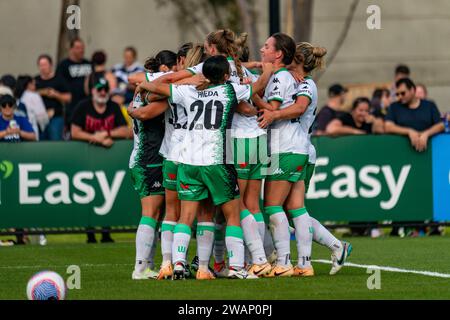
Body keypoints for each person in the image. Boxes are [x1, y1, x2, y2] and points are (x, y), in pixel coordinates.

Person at [137, 55, 274, 280]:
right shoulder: (230, 90)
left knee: (186, 217)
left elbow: (162, 87)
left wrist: (145, 84)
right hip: (216, 161)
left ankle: (179, 264)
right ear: (226, 76)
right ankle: (237, 267)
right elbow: (257, 87)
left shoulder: (187, 92)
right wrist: (267, 70)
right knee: (232, 216)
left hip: (188, 162)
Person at [258, 42, 352, 275]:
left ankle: (284, 261)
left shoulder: (307, 84)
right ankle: (311, 260)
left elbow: (299, 108)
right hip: (296, 148)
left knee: (273, 205)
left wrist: (273, 114)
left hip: (289, 148)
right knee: (295, 209)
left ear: (297, 58)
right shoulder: (291, 78)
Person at [126, 50, 179, 280]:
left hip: (148, 156)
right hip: (147, 158)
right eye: (175, 69)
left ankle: (147, 265)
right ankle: (139, 267)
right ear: (165, 70)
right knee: (151, 212)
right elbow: (147, 112)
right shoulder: (152, 92)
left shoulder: (146, 86)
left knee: (156, 215)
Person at [70, 77, 129, 244]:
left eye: (105, 89)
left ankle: (105, 232)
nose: (102, 92)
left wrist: (106, 134)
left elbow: (126, 130)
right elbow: (74, 132)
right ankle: (90, 233)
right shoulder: (83, 106)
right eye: (99, 89)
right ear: (93, 91)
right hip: (85, 158)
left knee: (107, 194)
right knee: (87, 194)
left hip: (108, 158)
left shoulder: (113, 107)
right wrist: (96, 138)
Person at [385, 78, 444, 152]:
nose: (400, 96)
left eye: (403, 93)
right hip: (400, 151)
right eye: (397, 94)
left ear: (412, 90)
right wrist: (409, 131)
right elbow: (388, 127)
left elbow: (440, 125)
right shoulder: (394, 107)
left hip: (430, 151)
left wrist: (426, 134)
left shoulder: (429, 105)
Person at [56, 37, 92, 129]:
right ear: (71, 49)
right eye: (78, 48)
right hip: (72, 107)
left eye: (83, 47)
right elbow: (60, 86)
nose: (81, 50)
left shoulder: (89, 64)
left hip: (89, 105)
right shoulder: (63, 65)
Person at [35, 54, 72, 141]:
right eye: (40, 65)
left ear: (51, 65)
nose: (43, 68)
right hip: (39, 118)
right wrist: (42, 92)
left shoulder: (59, 79)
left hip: (56, 116)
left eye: (45, 65)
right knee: (40, 141)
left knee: (55, 140)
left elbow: (69, 97)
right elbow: (27, 94)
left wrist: (56, 94)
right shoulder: (35, 81)